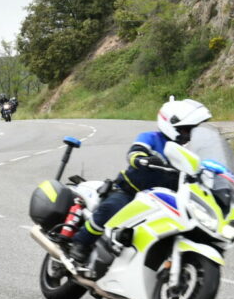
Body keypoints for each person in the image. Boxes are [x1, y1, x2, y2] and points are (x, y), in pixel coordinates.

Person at [68, 98, 212, 265]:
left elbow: (202, 169)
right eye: (186, 130)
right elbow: (135, 151)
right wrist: (141, 159)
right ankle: (81, 243)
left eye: (192, 130)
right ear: (172, 124)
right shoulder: (151, 137)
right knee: (111, 208)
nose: (189, 135)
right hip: (131, 192)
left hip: (164, 201)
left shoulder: (189, 152)